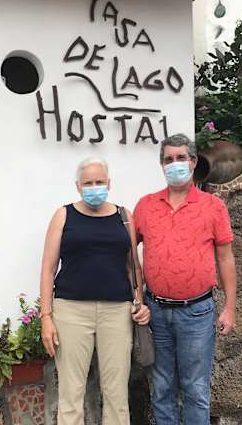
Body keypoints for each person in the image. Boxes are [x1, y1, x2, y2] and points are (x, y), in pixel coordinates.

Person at [134, 134, 238, 425]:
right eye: (168, 159)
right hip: (156, 312)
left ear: (193, 162)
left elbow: (226, 258)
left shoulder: (213, 206)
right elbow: (129, 255)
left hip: (197, 313)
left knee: (195, 389)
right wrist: (138, 298)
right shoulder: (145, 206)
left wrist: (230, 308)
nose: (175, 164)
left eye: (181, 158)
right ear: (161, 165)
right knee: (161, 387)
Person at [39, 157, 150, 425]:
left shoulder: (124, 216)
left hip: (117, 312)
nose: (94, 187)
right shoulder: (64, 215)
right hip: (71, 311)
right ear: (78, 186)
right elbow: (48, 268)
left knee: (116, 393)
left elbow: (133, 266)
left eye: (99, 182)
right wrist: (46, 317)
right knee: (71, 393)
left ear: (109, 183)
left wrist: (140, 302)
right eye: (88, 183)